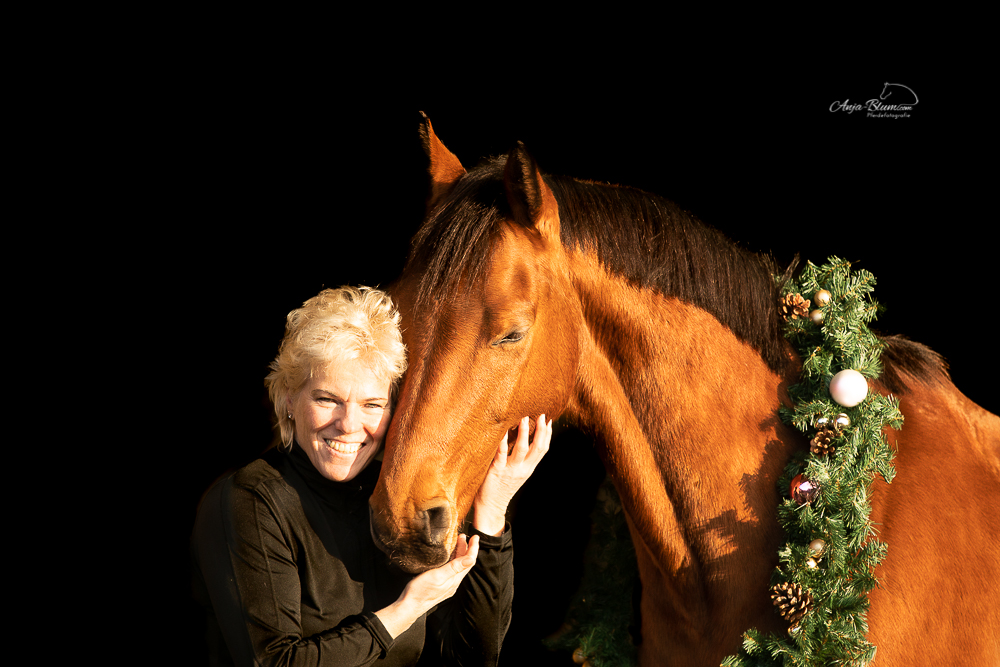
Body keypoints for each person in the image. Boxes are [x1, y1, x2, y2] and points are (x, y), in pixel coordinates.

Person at [191, 286, 551, 666]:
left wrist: (492, 509)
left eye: (372, 404)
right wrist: (406, 610)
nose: (349, 424)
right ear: (288, 399)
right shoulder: (250, 500)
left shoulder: (394, 496)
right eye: (327, 399)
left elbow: (472, 657)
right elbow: (274, 662)